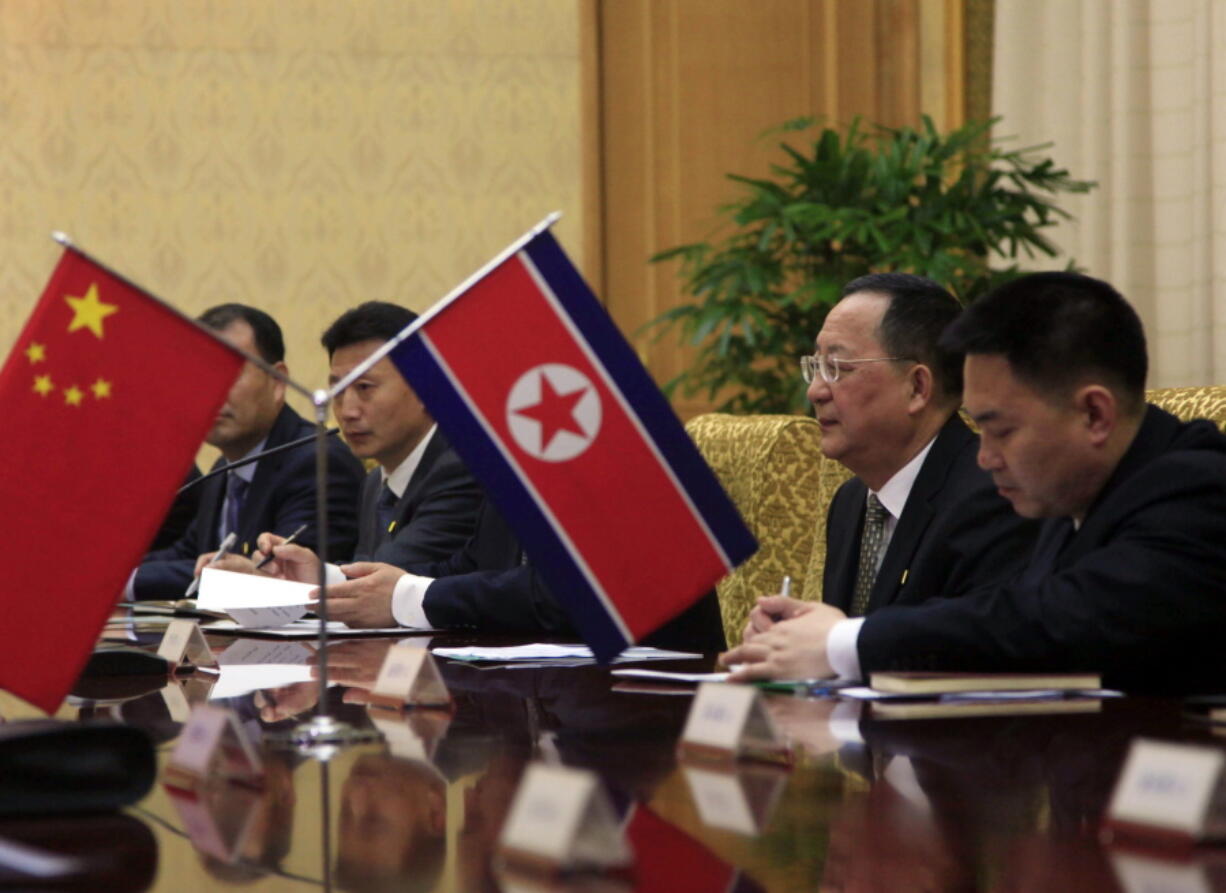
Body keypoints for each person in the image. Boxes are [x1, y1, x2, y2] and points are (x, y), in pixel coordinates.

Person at [724, 272, 1226, 691]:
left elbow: (1053, 621)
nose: (983, 456)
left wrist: (842, 642)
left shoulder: (1199, 488)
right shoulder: (1067, 495)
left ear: (1094, 414)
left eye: (1001, 430)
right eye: (978, 427)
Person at [753, 273, 1037, 629]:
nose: (815, 392)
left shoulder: (992, 497)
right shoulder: (851, 501)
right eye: (815, 367)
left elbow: (966, 653)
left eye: (837, 369)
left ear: (917, 387)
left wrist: (836, 642)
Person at [254, 301, 483, 622]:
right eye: (338, 390)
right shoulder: (375, 480)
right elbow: (367, 575)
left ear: (426, 388)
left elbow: (391, 578)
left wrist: (298, 582)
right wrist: (305, 573)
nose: (346, 410)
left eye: (364, 388)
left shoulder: (463, 466)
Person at [130, 304, 365, 600]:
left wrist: (118, 583)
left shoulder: (317, 462)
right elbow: (191, 555)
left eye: (229, 371)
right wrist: (106, 574)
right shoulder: (223, 468)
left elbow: (284, 576)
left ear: (277, 382)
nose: (212, 390)